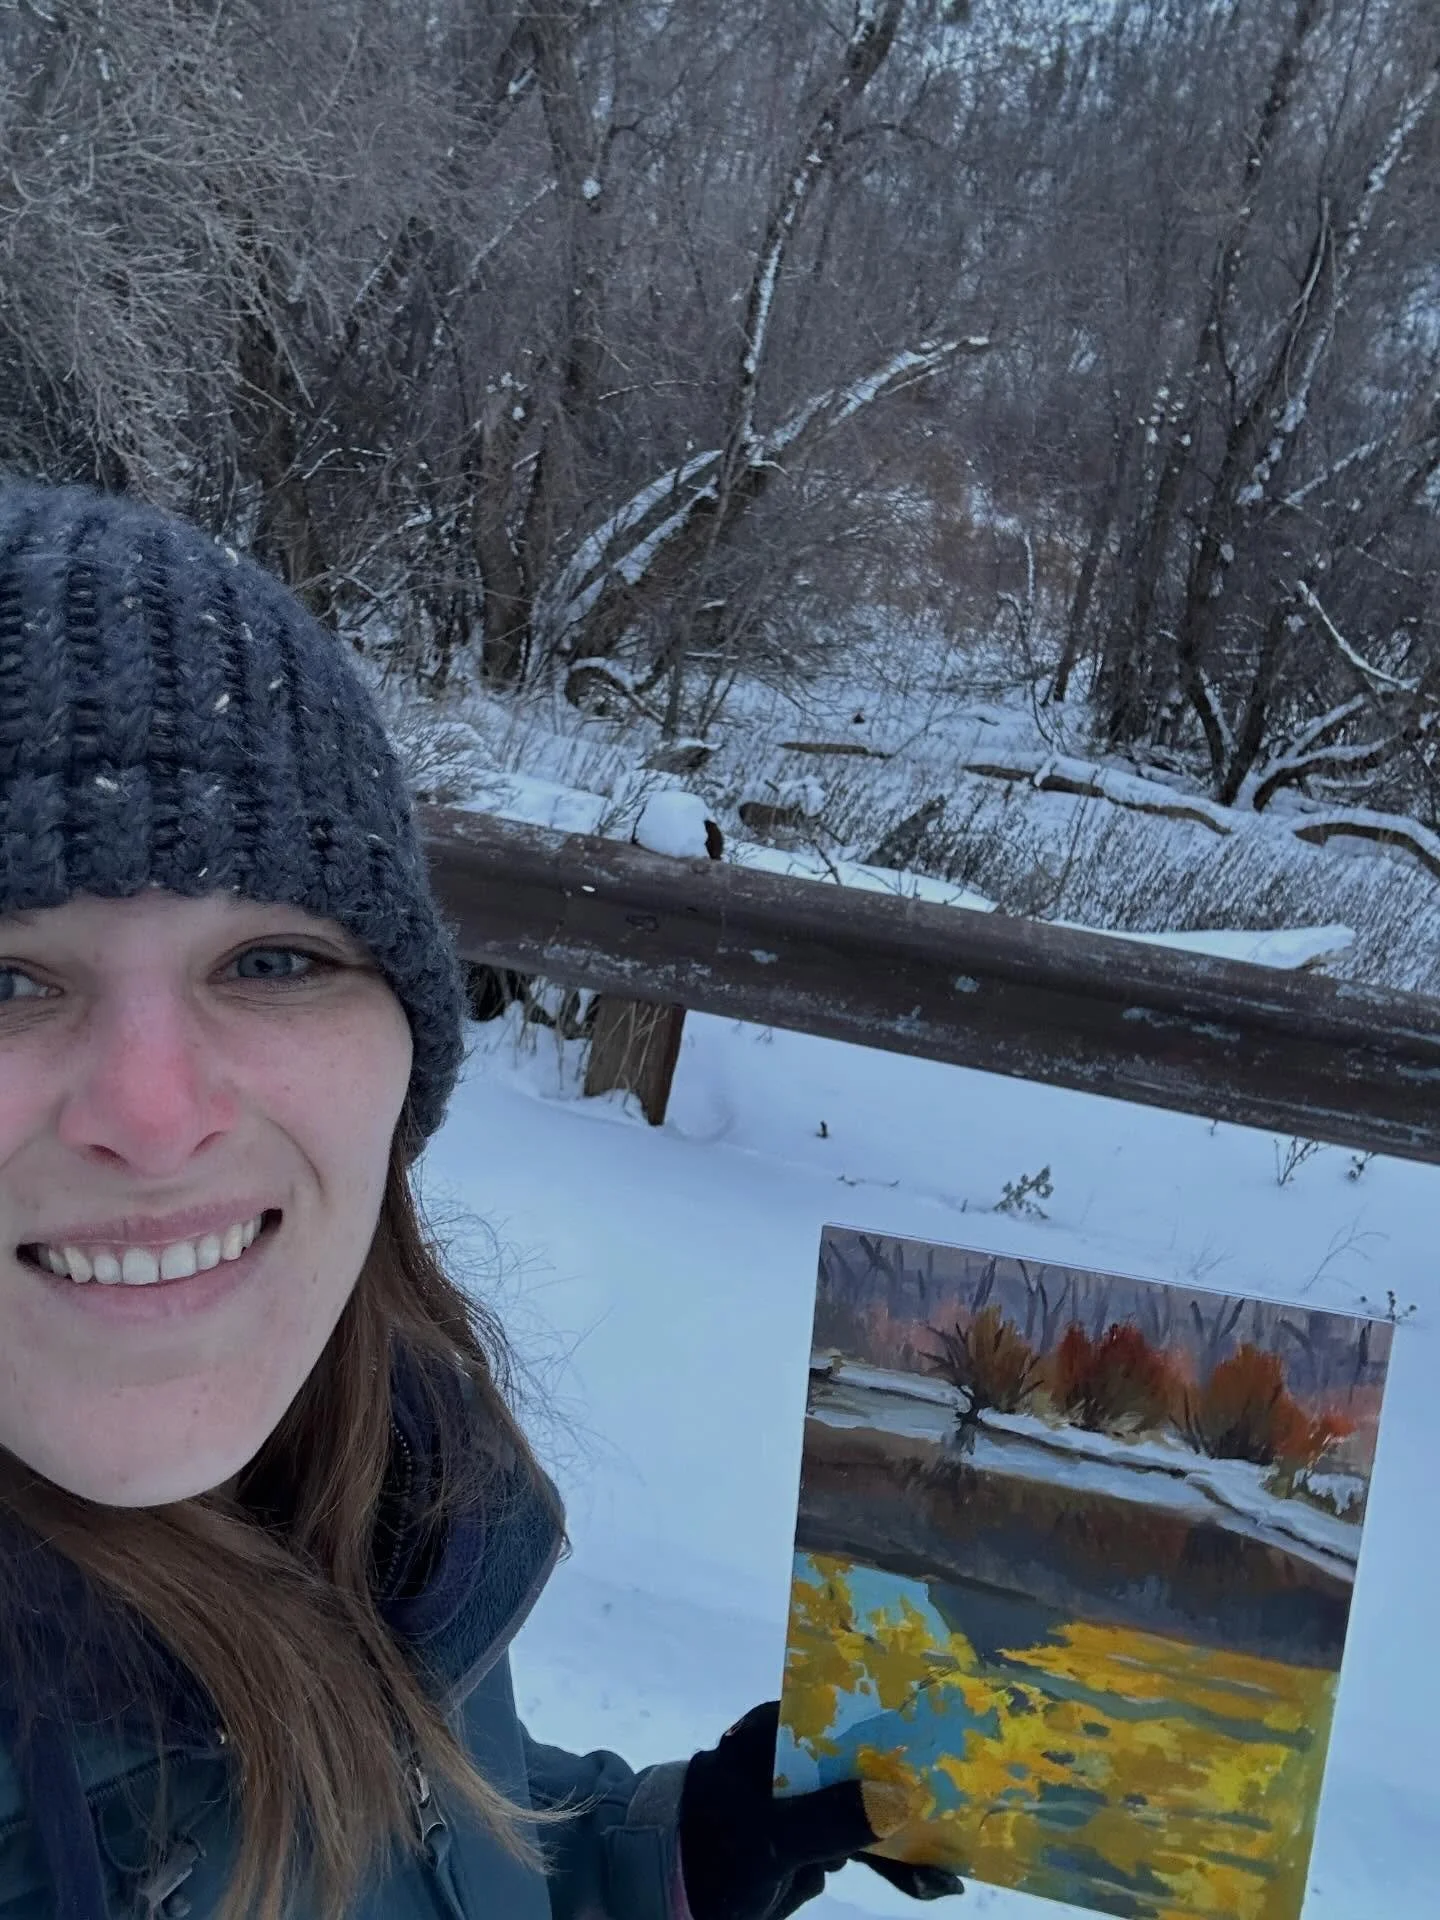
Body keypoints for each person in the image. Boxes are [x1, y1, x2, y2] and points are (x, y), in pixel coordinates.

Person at [0, 480, 965, 1920]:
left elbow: (404, 1840)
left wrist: (674, 1854)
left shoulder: (374, 1463)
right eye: (8, 979)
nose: (154, 1116)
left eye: (273, 961)